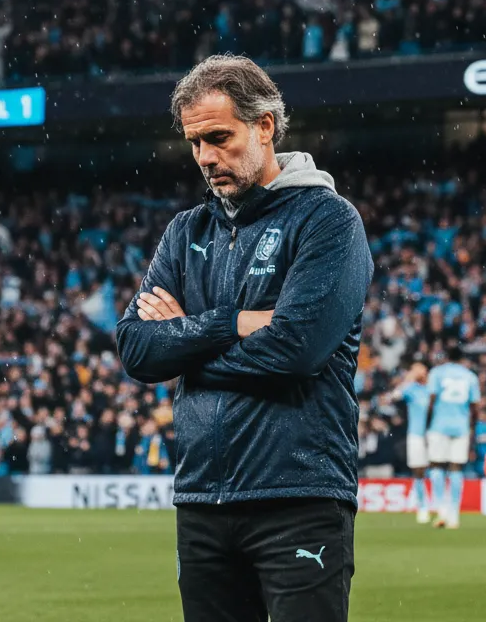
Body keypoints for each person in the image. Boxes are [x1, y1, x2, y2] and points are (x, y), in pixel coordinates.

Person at [115, 54, 372, 622]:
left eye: (218, 138)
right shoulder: (186, 230)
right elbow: (135, 348)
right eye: (194, 143)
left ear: (265, 126)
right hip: (201, 500)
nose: (205, 157)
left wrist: (185, 346)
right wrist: (230, 323)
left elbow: (295, 351)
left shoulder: (328, 221)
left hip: (298, 496)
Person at [426, 348, 480, 529]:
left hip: (439, 425)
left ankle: (441, 510)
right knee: (456, 468)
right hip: (461, 426)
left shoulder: (437, 373)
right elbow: (475, 406)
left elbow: (431, 399)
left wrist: (428, 422)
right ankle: (454, 514)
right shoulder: (470, 376)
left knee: (436, 466)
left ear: (447, 357)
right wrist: (472, 427)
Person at [389, 361, 432, 523]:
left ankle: (440, 502)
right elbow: (394, 396)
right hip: (416, 434)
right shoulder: (411, 389)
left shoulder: (432, 387)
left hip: (434, 433)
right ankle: (423, 506)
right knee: (418, 470)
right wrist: (408, 379)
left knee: (437, 468)